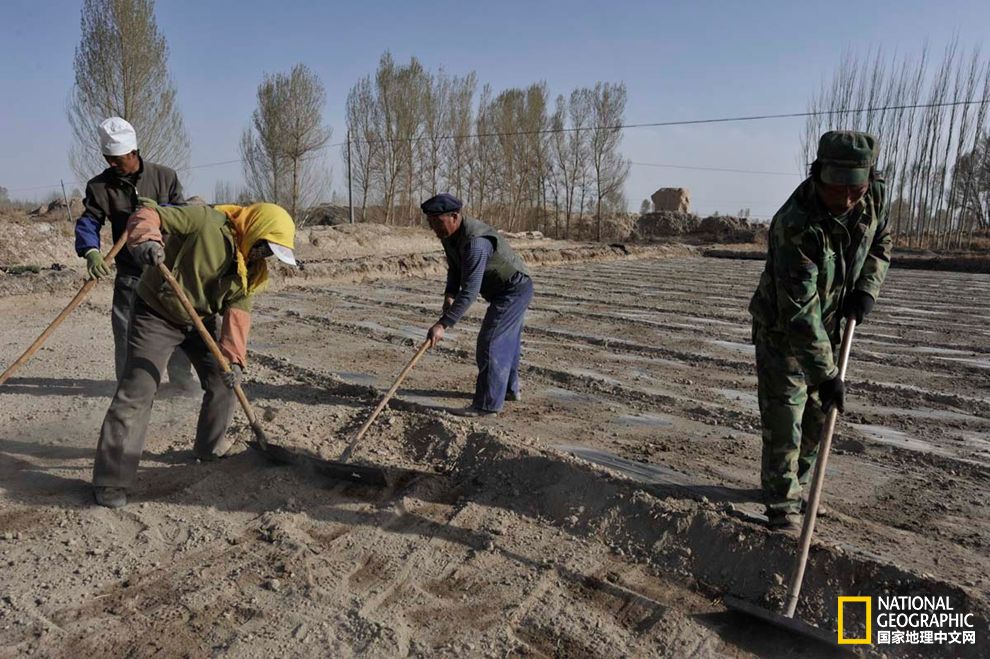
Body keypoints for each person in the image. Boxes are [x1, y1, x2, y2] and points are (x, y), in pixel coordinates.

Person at [91, 199, 297, 508]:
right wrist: (148, 240)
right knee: (140, 389)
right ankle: (111, 479)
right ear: (255, 228)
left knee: (223, 379)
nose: (264, 255)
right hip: (156, 313)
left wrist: (234, 359)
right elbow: (148, 215)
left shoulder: (251, 268)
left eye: (270, 252)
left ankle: (209, 448)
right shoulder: (205, 221)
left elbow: (238, 312)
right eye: (265, 247)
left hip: (198, 320)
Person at [748, 130, 892, 532]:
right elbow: (799, 313)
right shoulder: (794, 225)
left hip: (831, 325)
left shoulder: (875, 197)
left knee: (818, 416)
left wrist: (866, 290)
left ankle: (798, 485)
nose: (846, 199)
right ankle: (781, 505)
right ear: (817, 176)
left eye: (855, 189)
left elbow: (882, 241)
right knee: (785, 418)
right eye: (836, 188)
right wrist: (827, 375)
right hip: (784, 330)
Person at [74, 116, 194, 387]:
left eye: (117, 159)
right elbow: (90, 220)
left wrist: (159, 211)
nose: (112, 164)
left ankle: (181, 383)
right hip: (131, 272)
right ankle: (130, 386)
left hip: (167, 269)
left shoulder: (165, 176)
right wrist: (91, 250)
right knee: (127, 330)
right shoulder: (99, 186)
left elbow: (186, 215)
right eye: (108, 158)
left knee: (178, 326)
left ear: (133, 152)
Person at [422, 193, 534, 417]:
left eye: (438, 222)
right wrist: (449, 293)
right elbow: (455, 267)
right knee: (507, 341)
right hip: (503, 289)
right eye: (430, 222)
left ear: (454, 216)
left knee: (491, 341)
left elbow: (471, 290)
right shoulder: (450, 235)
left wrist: (443, 324)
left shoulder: (475, 243)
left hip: (513, 289)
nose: (434, 228)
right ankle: (509, 391)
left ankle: (487, 405)